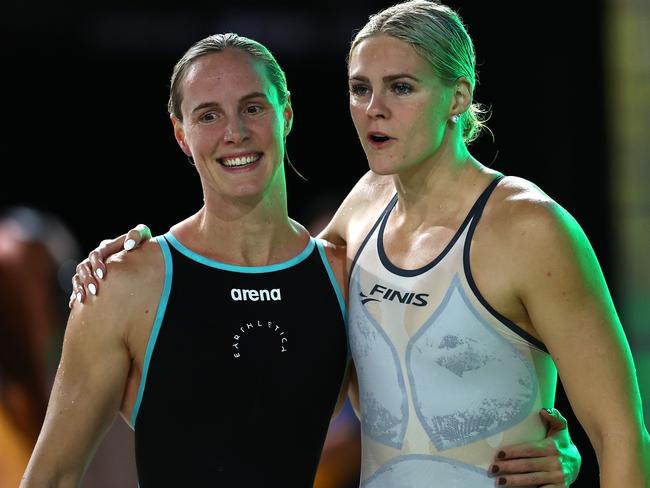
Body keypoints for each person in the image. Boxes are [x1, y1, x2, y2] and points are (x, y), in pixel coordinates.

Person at [65, 10, 592, 488]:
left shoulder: (523, 227)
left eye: (401, 87)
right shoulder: (358, 217)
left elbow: (621, 436)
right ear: (180, 133)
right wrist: (134, 254)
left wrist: (561, 452)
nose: (375, 108)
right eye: (361, 89)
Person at [21, 33, 351, 487]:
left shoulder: (342, 277)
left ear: (286, 113)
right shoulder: (125, 284)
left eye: (253, 107)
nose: (234, 132)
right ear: (181, 133)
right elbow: (52, 476)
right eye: (208, 115)